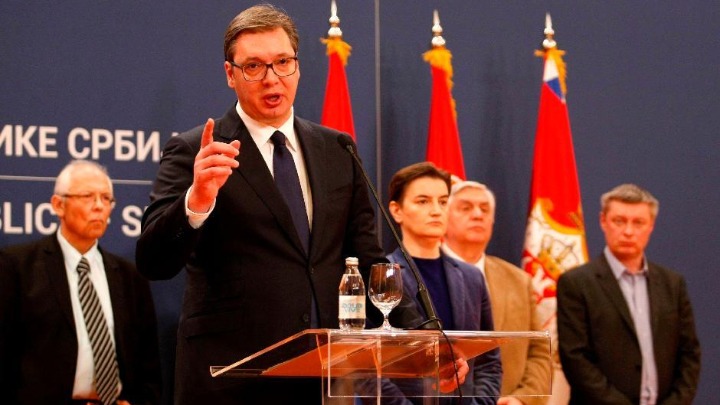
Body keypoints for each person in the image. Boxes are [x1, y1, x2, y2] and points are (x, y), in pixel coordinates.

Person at [135, 4, 463, 404]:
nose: (272, 78)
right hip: (230, 380)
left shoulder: (337, 149)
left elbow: (367, 258)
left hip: (323, 378)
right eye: (253, 66)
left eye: (283, 62)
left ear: (298, 67)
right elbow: (153, 261)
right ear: (230, 75)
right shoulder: (197, 151)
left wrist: (424, 341)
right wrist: (197, 200)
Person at [0, 160, 161, 405]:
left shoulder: (129, 276)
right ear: (58, 205)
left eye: (106, 198)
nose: (99, 206)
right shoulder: (18, 267)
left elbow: (149, 364)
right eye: (87, 196)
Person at [557, 183, 701, 405]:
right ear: (603, 221)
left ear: (651, 225)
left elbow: (689, 354)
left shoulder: (673, 284)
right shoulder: (576, 283)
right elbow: (575, 359)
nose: (628, 232)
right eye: (619, 221)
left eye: (638, 222)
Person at [382, 162, 502, 404]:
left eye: (443, 202)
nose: (436, 211)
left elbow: (488, 359)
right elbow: (365, 367)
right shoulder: (382, 275)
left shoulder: (471, 277)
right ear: (397, 211)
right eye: (423, 201)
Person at [443, 181, 551, 405]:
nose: (477, 215)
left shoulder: (518, 280)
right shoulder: (421, 274)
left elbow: (539, 352)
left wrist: (522, 399)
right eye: (466, 208)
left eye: (484, 209)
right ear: (443, 216)